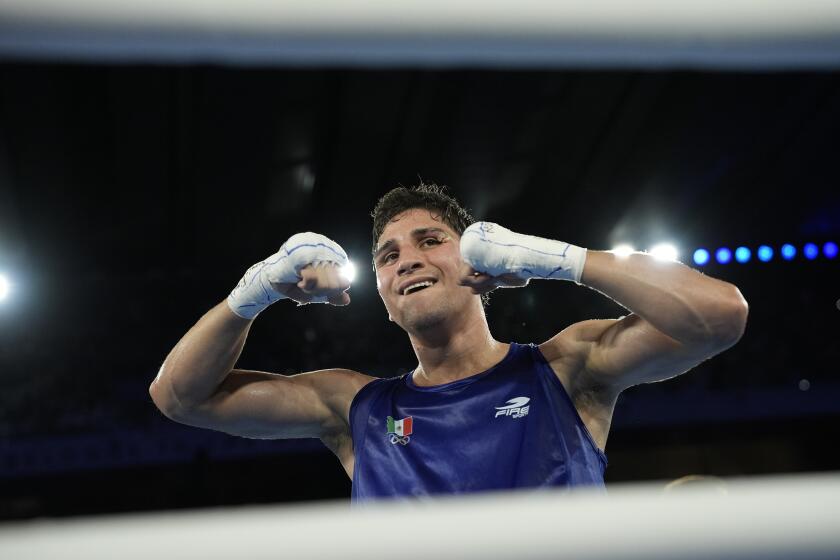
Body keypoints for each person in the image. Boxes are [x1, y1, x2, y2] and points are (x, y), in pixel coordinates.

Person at [149, 184, 748, 501]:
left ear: (478, 260)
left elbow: (721, 315)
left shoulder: (567, 368)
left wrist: (557, 260)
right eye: (388, 255)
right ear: (381, 292)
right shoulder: (354, 408)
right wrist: (254, 292)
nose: (407, 260)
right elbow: (178, 397)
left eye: (430, 240)